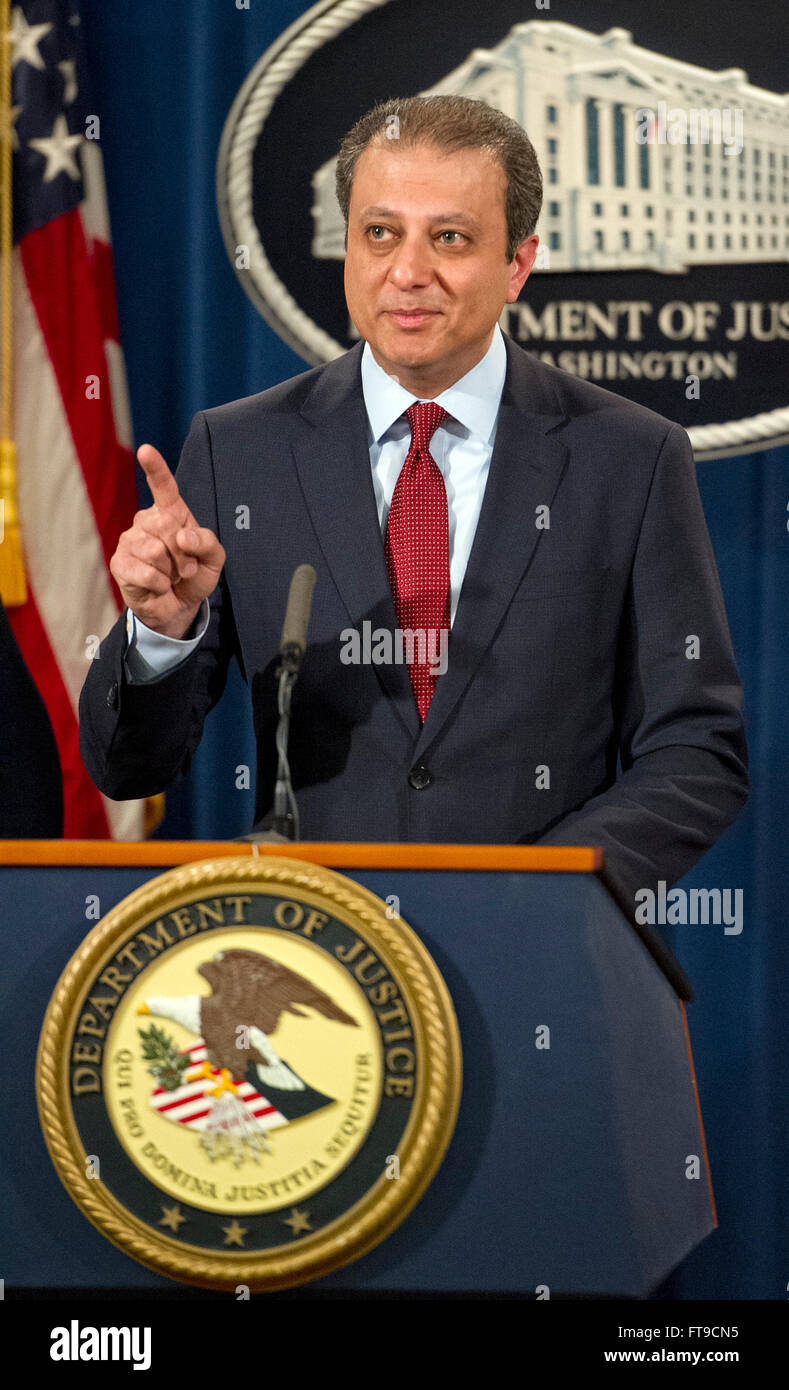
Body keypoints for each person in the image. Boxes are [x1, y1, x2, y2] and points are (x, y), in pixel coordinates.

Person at [78, 95, 748, 921]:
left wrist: (553, 897)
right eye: (380, 233)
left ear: (518, 262)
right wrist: (161, 633)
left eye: (452, 238)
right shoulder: (238, 450)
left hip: (550, 959)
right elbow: (128, 770)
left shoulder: (628, 456)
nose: (408, 271)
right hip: (311, 968)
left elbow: (694, 749)